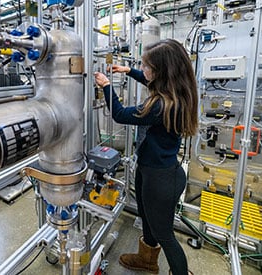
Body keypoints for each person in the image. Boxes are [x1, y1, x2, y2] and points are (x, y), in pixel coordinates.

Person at [94, 39, 198, 275]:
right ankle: (147, 260)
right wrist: (129, 71)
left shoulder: (160, 105)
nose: (145, 70)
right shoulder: (176, 92)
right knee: (147, 217)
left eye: (147, 66)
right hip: (151, 171)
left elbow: (120, 114)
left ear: (161, 71)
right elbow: (149, 79)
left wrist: (107, 85)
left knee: (165, 234)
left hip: (161, 179)